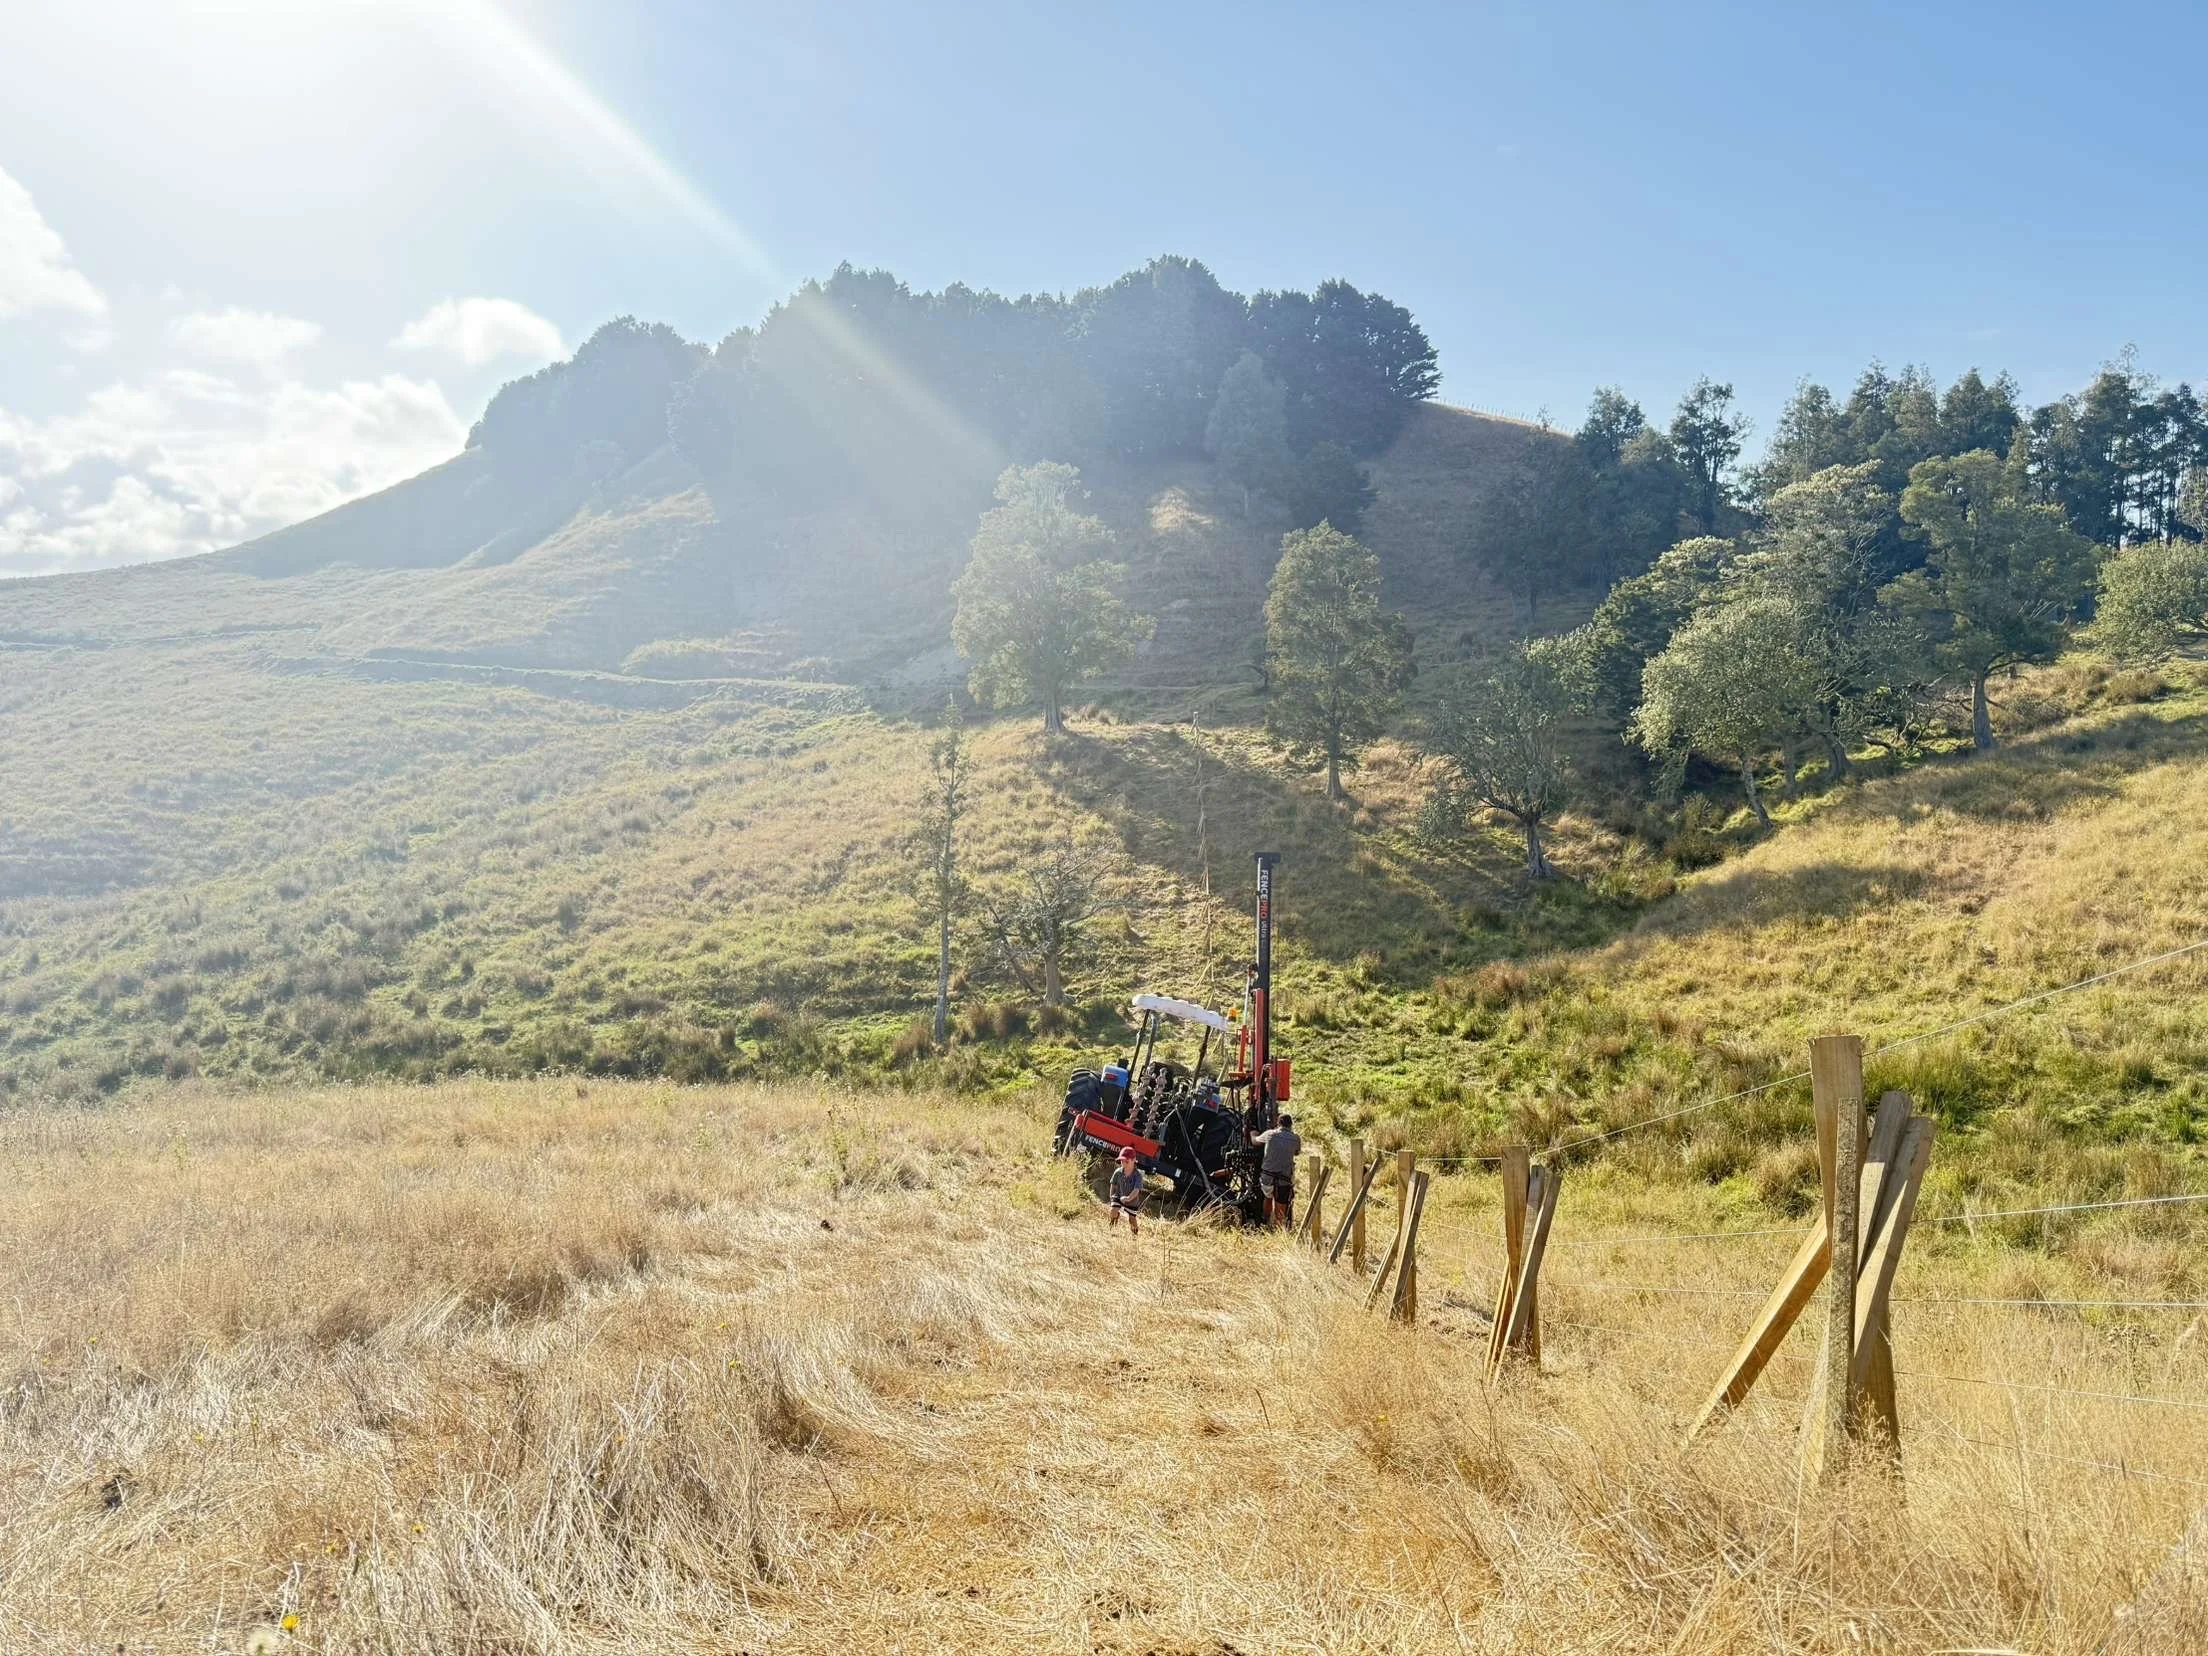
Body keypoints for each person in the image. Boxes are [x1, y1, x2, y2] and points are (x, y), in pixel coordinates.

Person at [1254, 1113, 1302, 1229]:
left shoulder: (1270, 1134)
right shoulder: (1296, 1138)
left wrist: (1252, 1133)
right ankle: (1278, 1229)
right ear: (1291, 1125)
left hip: (1267, 1176)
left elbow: (1255, 1141)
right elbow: (1297, 1152)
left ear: (1278, 1123)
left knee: (1268, 1197)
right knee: (1281, 1204)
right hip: (1284, 1178)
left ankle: (1266, 1221)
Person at [1108, 1146, 1144, 1237]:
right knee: (1113, 1210)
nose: (1123, 1164)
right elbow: (1113, 1183)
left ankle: (1135, 1235)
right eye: (1121, 1161)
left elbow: (1136, 1190)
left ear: (1133, 1160)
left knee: (1132, 1219)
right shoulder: (1118, 1172)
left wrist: (1128, 1198)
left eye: (1126, 1161)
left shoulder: (1137, 1175)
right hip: (1119, 1195)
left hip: (1132, 1200)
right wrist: (1112, 1196)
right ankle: (1113, 1223)